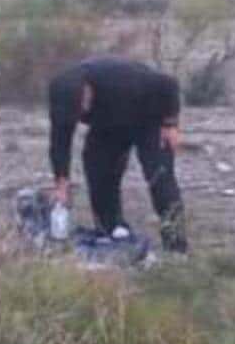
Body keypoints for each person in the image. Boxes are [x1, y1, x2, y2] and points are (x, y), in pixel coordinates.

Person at [48, 56, 188, 253]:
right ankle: (111, 232)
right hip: (108, 125)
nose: (82, 112)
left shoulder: (119, 78)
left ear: (87, 89)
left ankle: (176, 247)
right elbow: (59, 140)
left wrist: (170, 124)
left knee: (160, 178)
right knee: (98, 172)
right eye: (77, 112)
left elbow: (168, 84)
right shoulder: (63, 98)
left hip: (149, 118)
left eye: (83, 105)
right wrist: (61, 182)